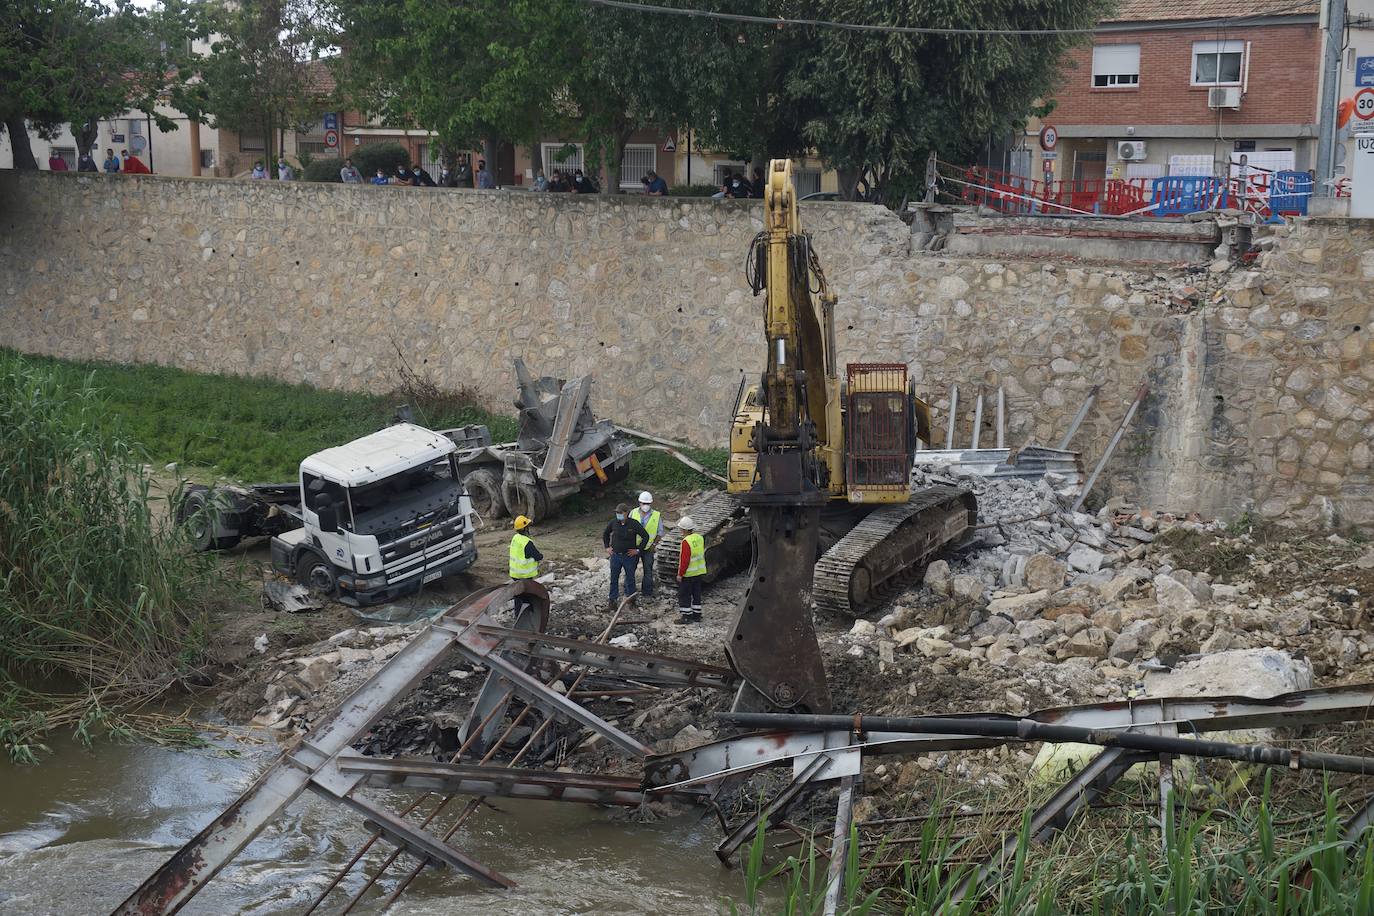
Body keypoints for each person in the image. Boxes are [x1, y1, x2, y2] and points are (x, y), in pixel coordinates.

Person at [602, 502, 648, 608]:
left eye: (620, 512)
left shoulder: (634, 523)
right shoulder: (613, 523)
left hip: (629, 557)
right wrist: (607, 547)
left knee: (630, 578)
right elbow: (605, 534)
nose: (618, 514)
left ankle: (631, 600)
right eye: (617, 512)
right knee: (614, 578)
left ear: (626, 513)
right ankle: (612, 601)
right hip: (616, 556)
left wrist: (638, 550)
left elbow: (645, 536)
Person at [509, 514, 543, 616]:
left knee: (518, 596)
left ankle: (517, 614)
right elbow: (537, 556)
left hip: (515, 574)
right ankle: (528, 615)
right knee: (528, 596)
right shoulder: (527, 542)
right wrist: (541, 556)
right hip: (525, 575)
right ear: (525, 528)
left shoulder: (515, 538)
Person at [675, 515, 707, 623]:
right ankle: (697, 615)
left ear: (684, 529)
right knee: (696, 594)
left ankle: (686, 616)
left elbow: (685, 560)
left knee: (684, 594)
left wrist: (680, 574)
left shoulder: (686, 541)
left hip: (688, 574)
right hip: (699, 572)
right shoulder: (699, 538)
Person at [629, 491, 661, 599]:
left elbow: (660, 532)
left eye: (647, 504)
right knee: (630, 569)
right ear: (639, 502)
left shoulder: (656, 515)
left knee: (648, 571)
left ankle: (647, 593)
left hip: (648, 548)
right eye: (643, 503)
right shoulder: (633, 513)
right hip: (634, 547)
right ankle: (630, 592)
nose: (645, 506)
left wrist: (654, 544)